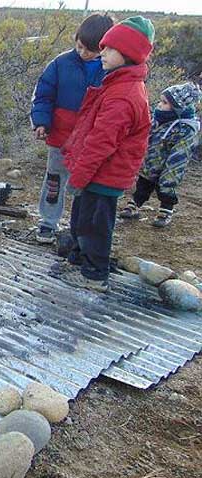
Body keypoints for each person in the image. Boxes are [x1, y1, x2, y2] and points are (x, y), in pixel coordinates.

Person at [57, 16, 155, 292]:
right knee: (83, 218)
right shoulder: (117, 84)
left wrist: (79, 176)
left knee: (95, 226)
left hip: (104, 175)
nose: (103, 53)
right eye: (104, 47)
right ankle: (79, 259)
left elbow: (101, 143)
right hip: (97, 173)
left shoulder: (123, 95)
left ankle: (94, 275)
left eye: (110, 49)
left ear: (128, 54)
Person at [30, 13, 114, 244]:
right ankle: (48, 222)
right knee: (54, 181)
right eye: (80, 46)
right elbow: (43, 95)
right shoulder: (60, 63)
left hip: (91, 141)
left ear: (105, 47)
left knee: (86, 185)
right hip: (60, 136)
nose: (83, 53)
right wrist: (41, 122)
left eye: (91, 50)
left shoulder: (111, 70)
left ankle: (79, 229)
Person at [119, 82, 201, 227]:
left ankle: (166, 210)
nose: (159, 105)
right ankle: (135, 204)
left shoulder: (186, 129)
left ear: (177, 108)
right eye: (160, 101)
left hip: (170, 167)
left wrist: (170, 175)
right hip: (150, 163)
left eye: (164, 103)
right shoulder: (158, 120)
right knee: (143, 184)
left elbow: (180, 155)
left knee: (166, 189)